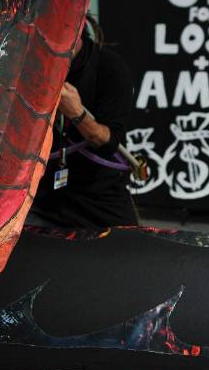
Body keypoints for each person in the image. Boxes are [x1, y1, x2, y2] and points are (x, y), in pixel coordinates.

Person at [28, 17, 139, 228]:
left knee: (131, 253)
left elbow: (107, 142)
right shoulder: (35, 67)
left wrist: (77, 113)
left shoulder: (109, 68)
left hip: (97, 196)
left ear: (79, 27)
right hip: (44, 196)